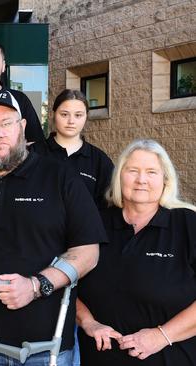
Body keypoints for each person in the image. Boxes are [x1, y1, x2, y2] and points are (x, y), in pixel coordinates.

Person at [0, 89, 106, 366]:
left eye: (6, 124)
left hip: (47, 349)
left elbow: (88, 251)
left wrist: (36, 285)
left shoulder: (59, 177)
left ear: (22, 127)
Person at [76, 139, 196, 366]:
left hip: (171, 358)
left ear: (165, 179)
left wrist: (161, 336)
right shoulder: (95, 223)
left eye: (151, 172)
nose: (142, 180)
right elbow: (67, 281)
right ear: (119, 176)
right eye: (133, 171)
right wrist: (88, 322)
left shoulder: (188, 224)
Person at [31, 89, 114, 208]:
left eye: (78, 115)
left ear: (86, 117)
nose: (71, 121)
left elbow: (107, 205)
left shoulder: (99, 160)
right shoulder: (34, 153)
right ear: (54, 114)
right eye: (64, 114)